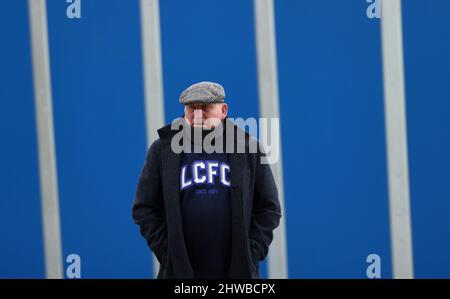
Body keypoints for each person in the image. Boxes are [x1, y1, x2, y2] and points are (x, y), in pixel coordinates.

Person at [132, 81, 281, 279]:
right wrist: (168, 253)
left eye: (206, 108)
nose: (198, 115)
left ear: (223, 110)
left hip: (236, 276)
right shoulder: (162, 150)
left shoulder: (248, 148)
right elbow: (144, 208)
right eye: (192, 109)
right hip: (181, 275)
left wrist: (251, 253)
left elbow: (269, 208)